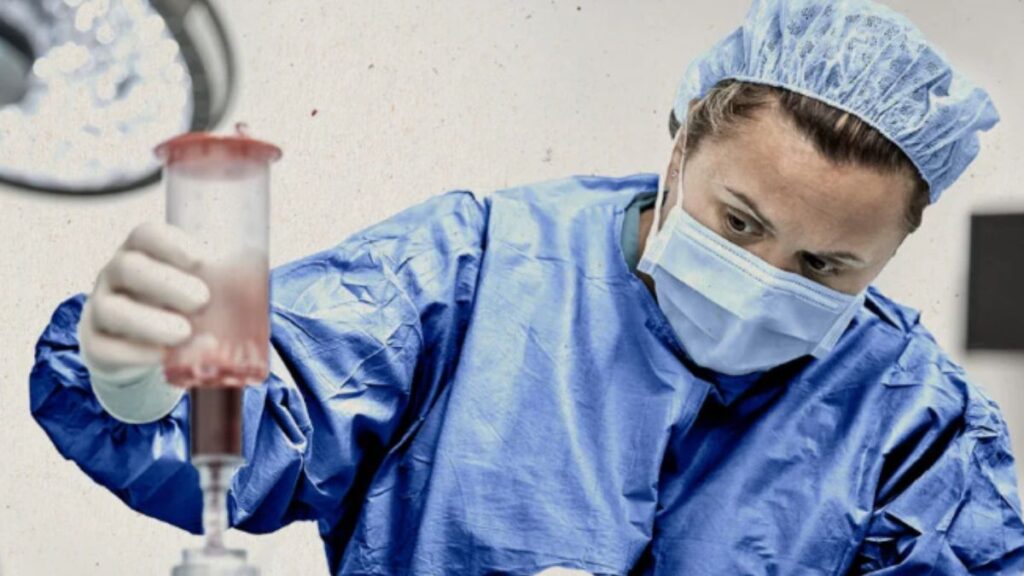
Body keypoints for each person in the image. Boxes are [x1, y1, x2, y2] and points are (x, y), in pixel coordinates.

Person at [29, 0, 1024, 574]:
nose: (763, 284)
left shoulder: (912, 424)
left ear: (895, 249)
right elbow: (254, 427)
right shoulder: (471, 270)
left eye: (823, 267)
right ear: (678, 145)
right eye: (739, 222)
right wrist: (136, 383)